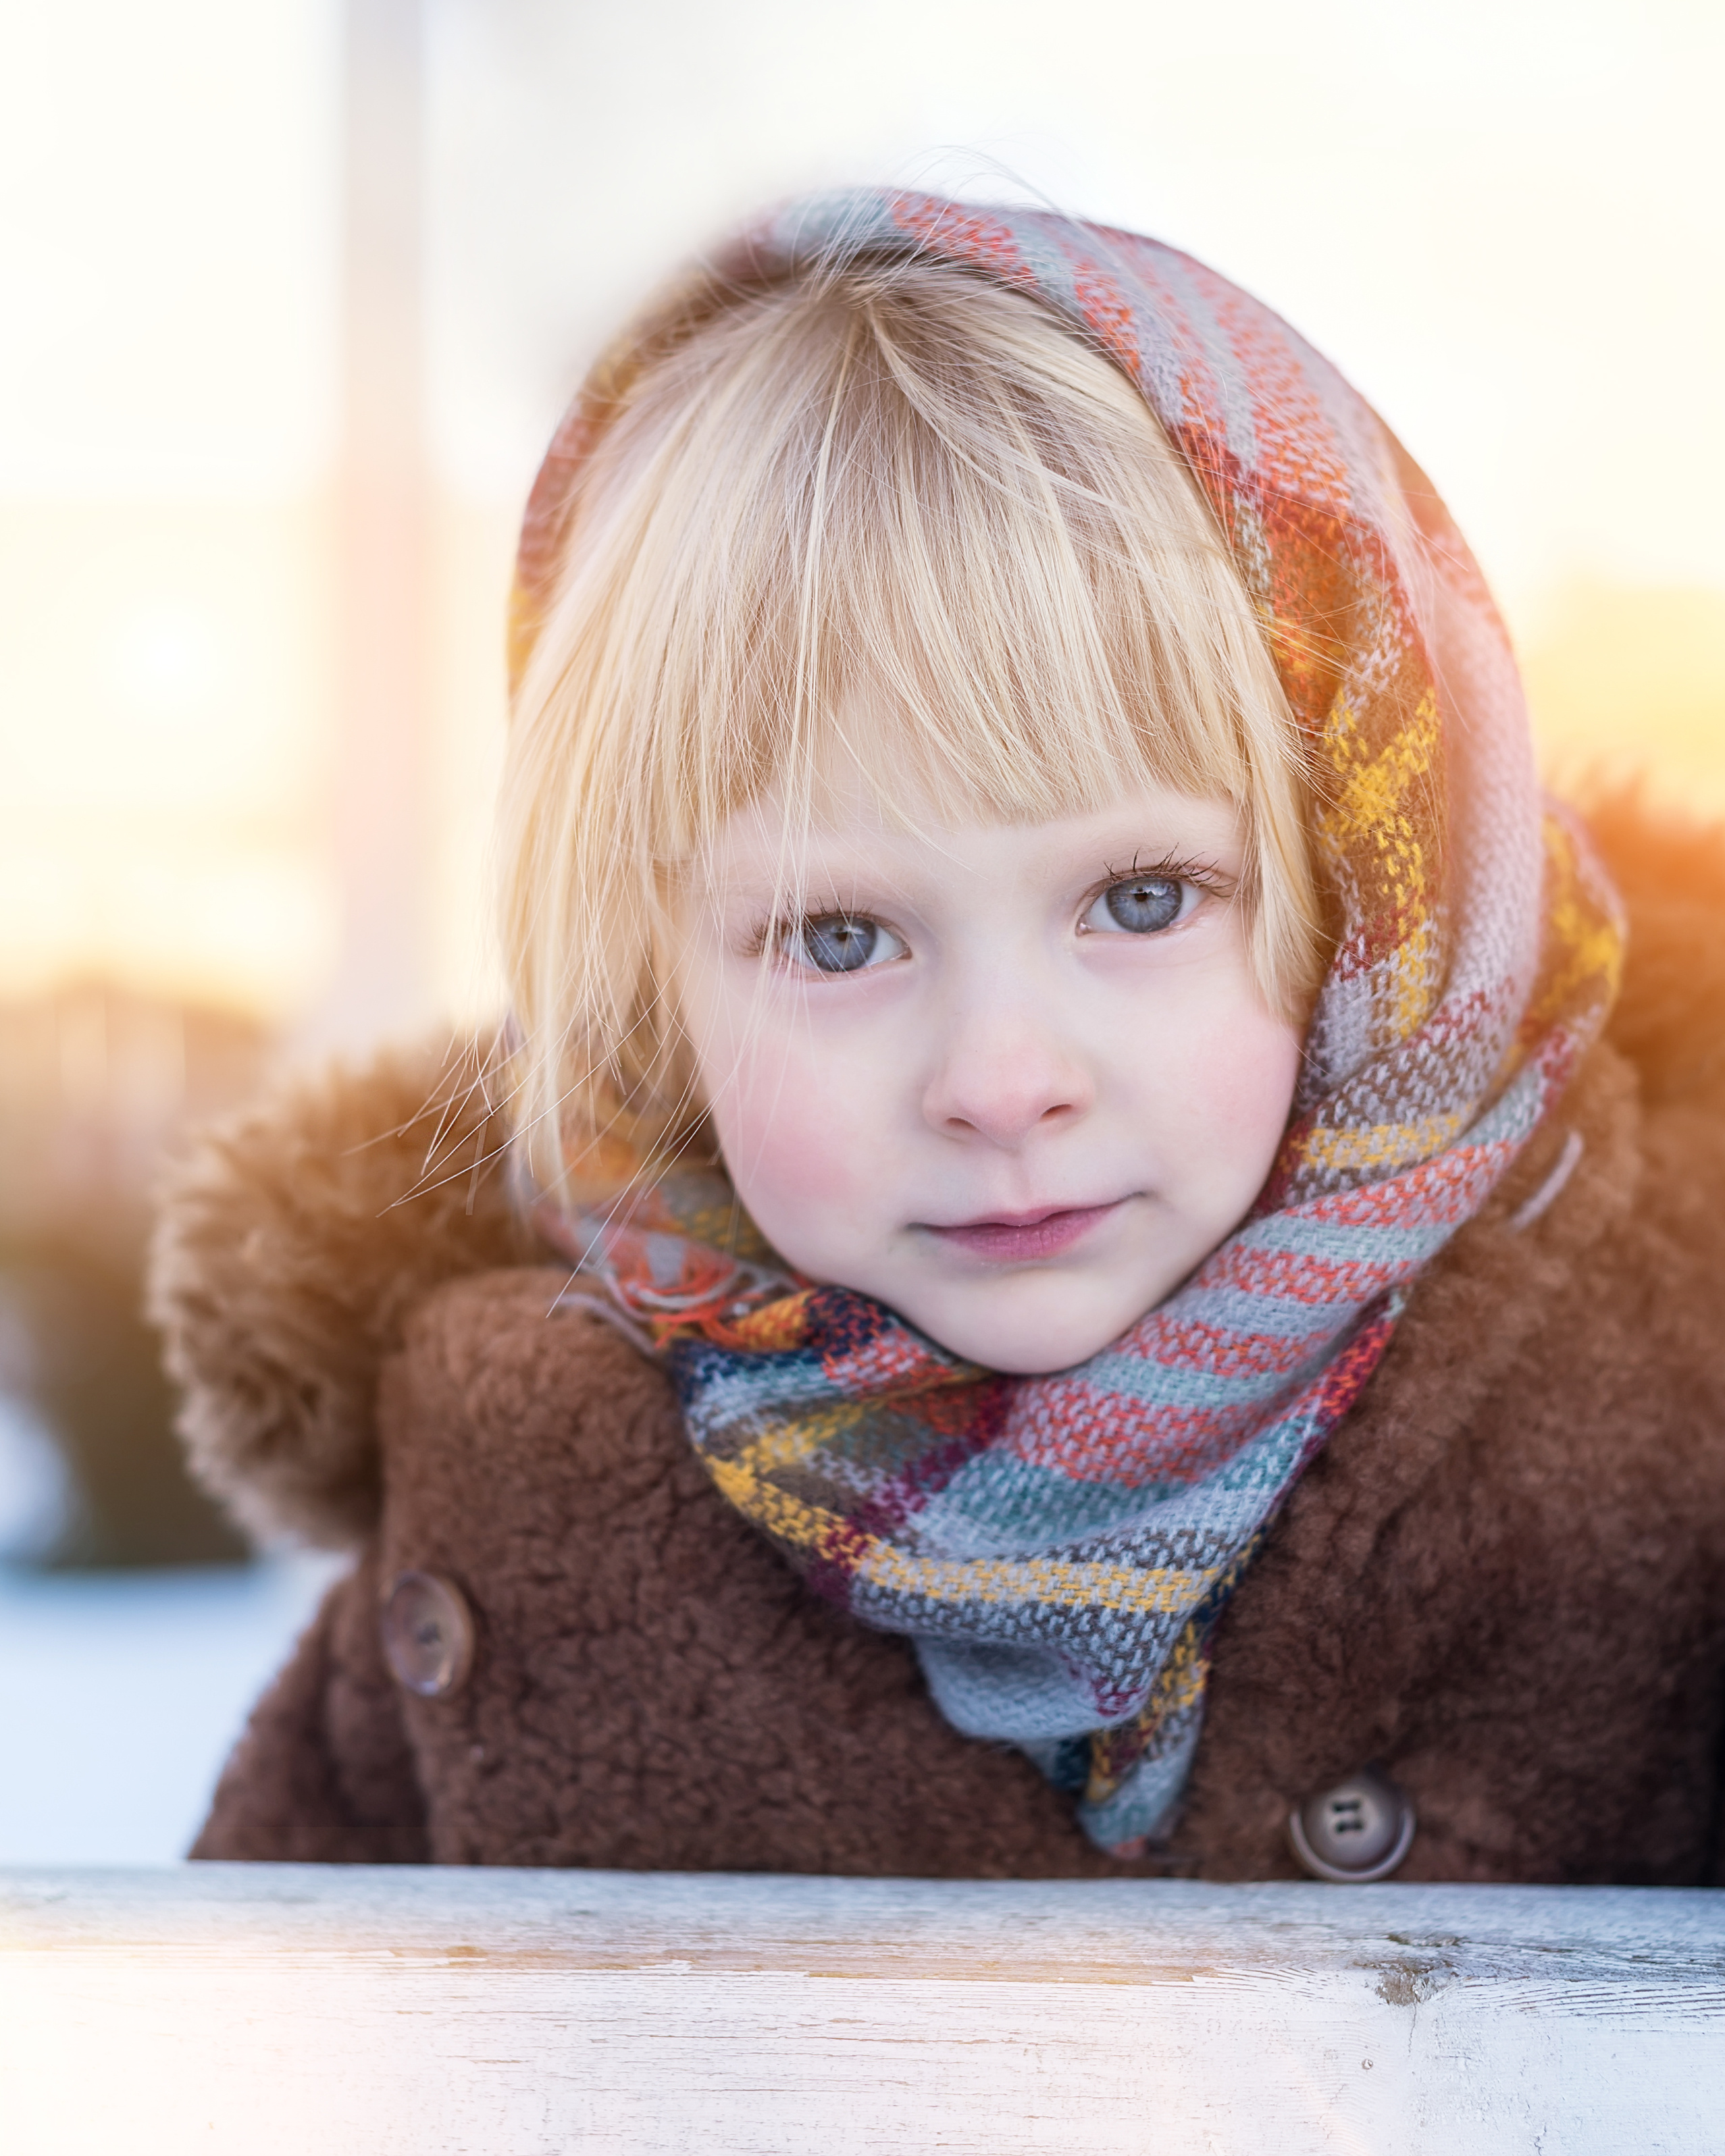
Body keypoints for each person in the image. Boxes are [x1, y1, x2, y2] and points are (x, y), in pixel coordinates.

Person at [151, 193, 1725, 1885]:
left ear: (1369, 906)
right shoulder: (512, 1474)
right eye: (839, 936)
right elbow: (261, 2040)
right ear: (647, 972)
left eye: (1138, 899)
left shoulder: (1672, 1396)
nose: (999, 1083)